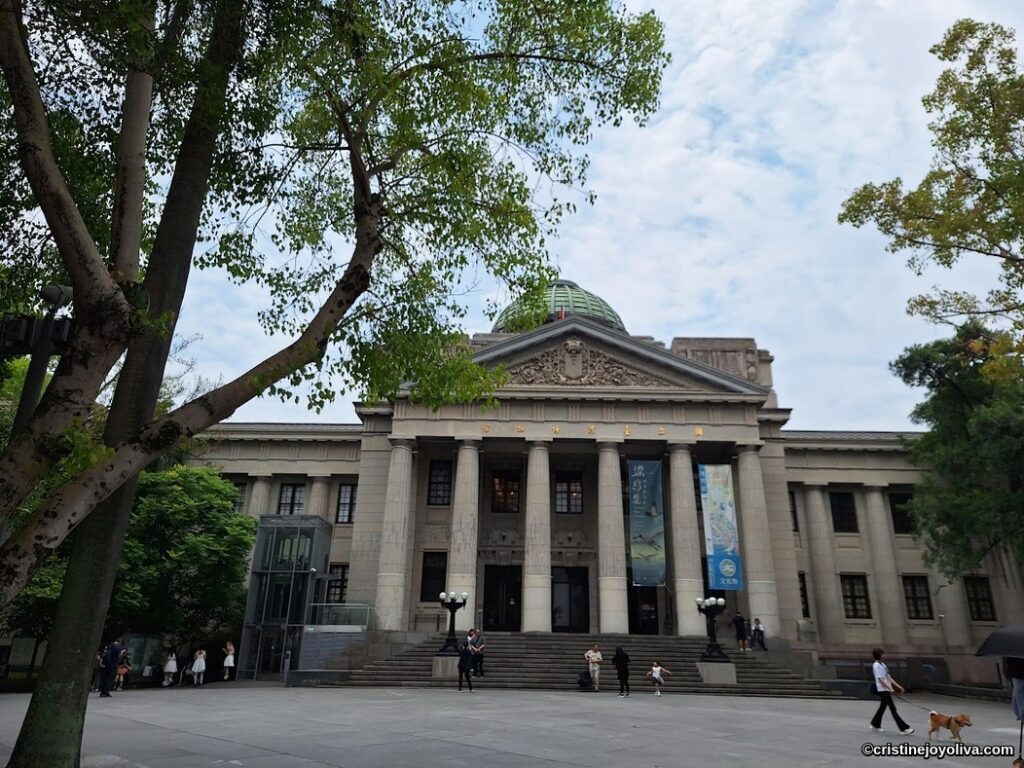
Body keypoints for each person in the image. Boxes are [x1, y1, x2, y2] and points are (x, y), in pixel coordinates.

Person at [869, 647, 914, 735]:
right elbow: (881, 679)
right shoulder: (877, 665)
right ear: (879, 655)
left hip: (885, 689)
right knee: (892, 709)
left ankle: (875, 724)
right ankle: (904, 728)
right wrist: (890, 688)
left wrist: (898, 686)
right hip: (882, 689)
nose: (884, 656)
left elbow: (888, 677)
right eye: (883, 654)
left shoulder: (883, 665)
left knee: (883, 708)